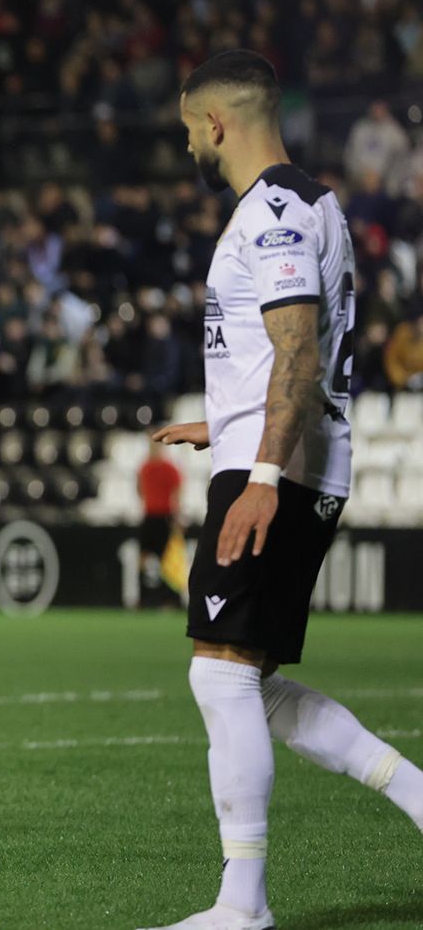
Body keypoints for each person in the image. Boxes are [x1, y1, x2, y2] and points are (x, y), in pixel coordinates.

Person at [143, 51, 423, 930]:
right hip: (285, 455)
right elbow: (286, 354)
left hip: (283, 471)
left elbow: (299, 349)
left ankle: (243, 903)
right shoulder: (312, 202)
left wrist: (260, 472)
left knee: (219, 676)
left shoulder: (269, 213)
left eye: (190, 125)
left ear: (216, 121)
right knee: (248, 682)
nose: (188, 141)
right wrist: (223, 421)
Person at [136, 438, 183, 606]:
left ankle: (170, 599)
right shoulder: (145, 468)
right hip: (149, 516)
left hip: (165, 517)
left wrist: (176, 517)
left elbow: (176, 494)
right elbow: (139, 488)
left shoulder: (169, 469)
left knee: (167, 559)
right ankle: (144, 597)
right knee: (143, 557)